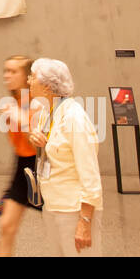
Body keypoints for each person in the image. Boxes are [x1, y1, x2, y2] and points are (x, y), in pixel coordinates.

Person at [29, 58, 102, 256]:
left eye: (33, 77)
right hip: (53, 205)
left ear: (47, 86)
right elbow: (53, 148)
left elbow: (90, 175)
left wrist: (85, 222)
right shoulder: (50, 112)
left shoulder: (75, 118)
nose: (28, 81)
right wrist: (38, 140)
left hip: (73, 210)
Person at [0, 54, 40, 256]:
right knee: (7, 226)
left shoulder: (39, 101)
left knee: (59, 226)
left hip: (43, 166)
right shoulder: (12, 102)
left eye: (13, 71)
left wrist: (20, 119)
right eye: (6, 70)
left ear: (27, 76)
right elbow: (19, 145)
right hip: (23, 165)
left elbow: (38, 140)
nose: (7, 75)